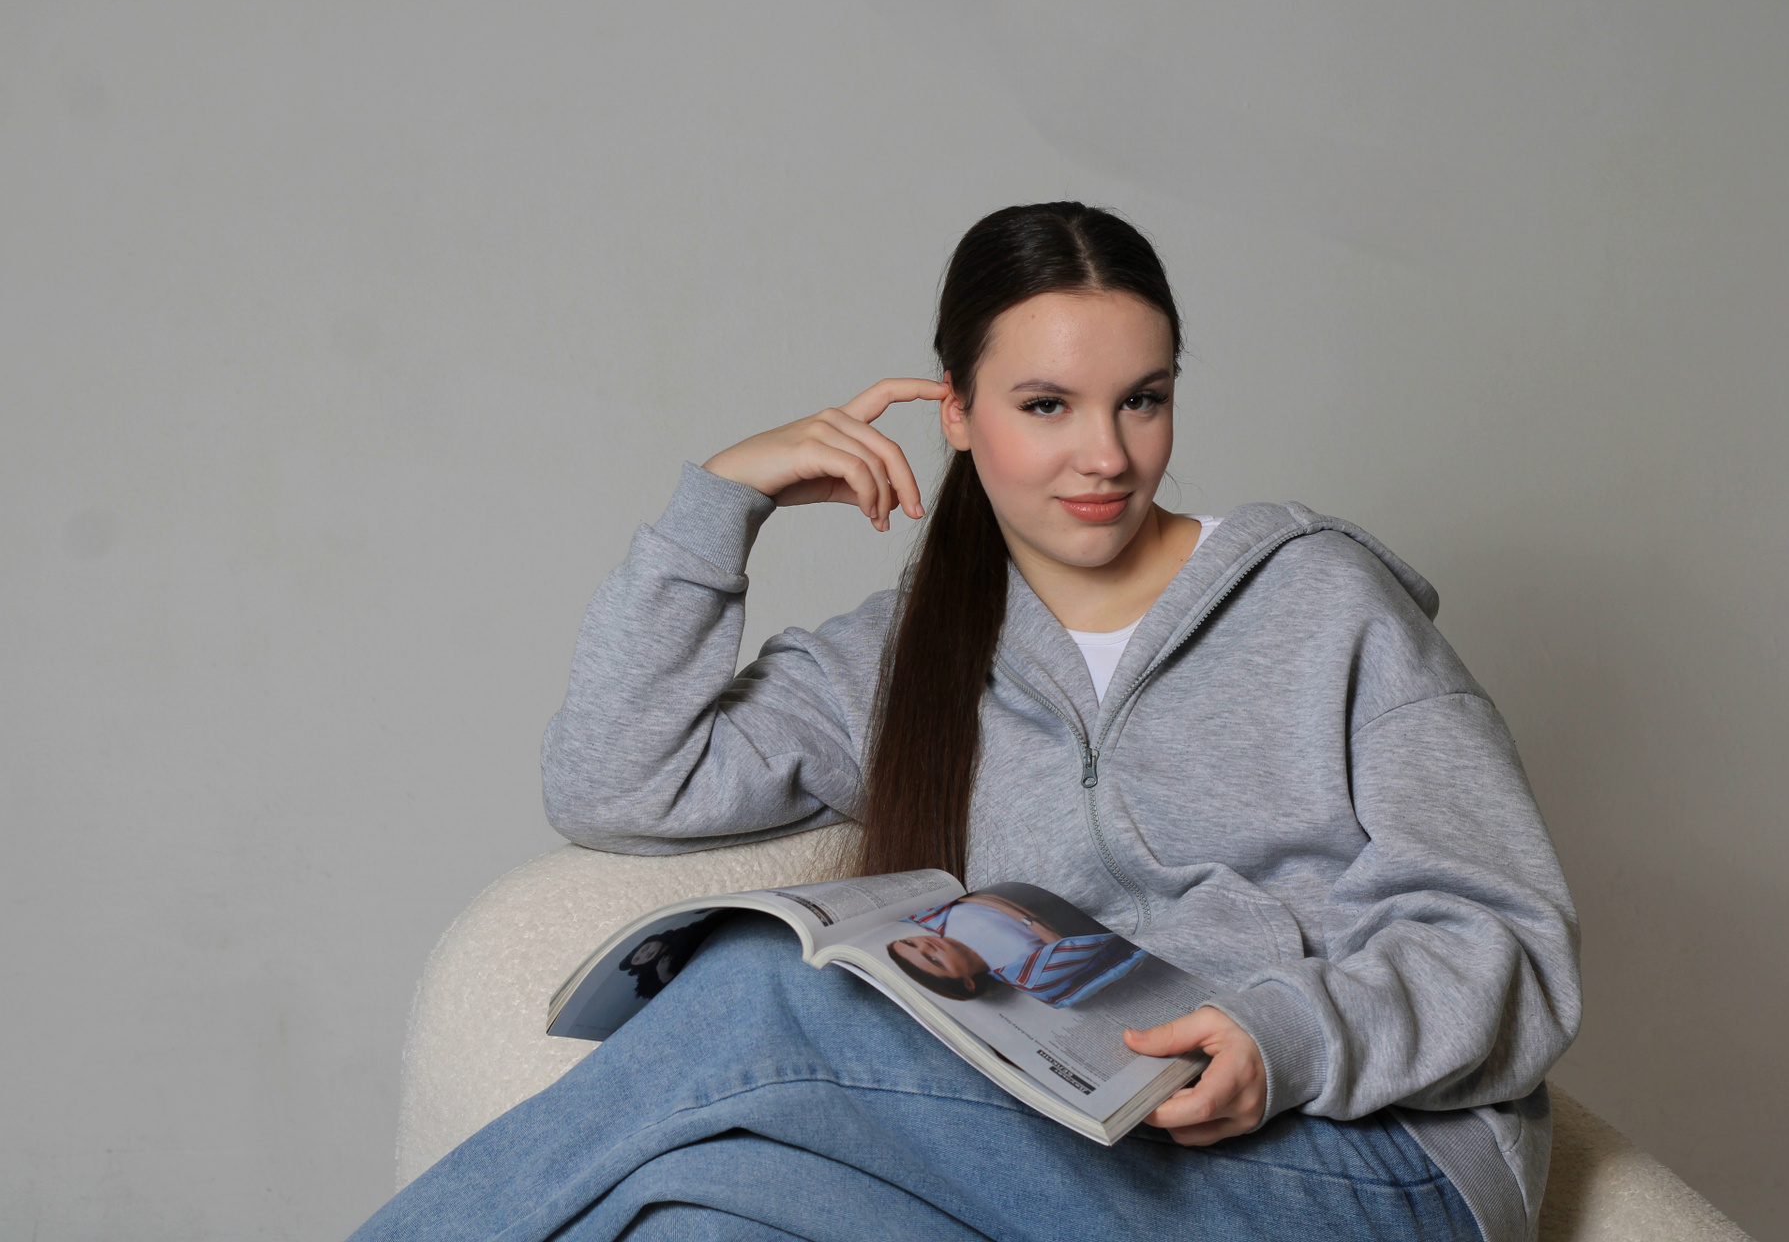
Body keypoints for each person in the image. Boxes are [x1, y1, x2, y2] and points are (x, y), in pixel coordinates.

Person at [348, 202, 1579, 1242]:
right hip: (1071, 1138)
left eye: (1142, 400)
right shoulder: (906, 653)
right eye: (1046, 405)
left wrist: (1288, 1036)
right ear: (955, 411)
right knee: (697, 1219)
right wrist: (720, 503)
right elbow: (615, 779)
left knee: (760, 993)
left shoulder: (1325, 605)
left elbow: (1512, 940)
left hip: (1356, 1155)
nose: (1106, 455)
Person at [888, 890, 1149, 1005]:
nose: (926, 946)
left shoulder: (933, 917)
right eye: (934, 961)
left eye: (911, 943)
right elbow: (1088, 946)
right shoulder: (1030, 975)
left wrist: (1031, 922)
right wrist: (1013, 911)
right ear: (968, 983)